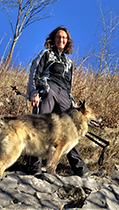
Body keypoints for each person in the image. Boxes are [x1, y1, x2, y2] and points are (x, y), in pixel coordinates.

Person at [26, 26, 90, 177]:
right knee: (42, 125)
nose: (61, 39)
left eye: (64, 37)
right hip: (49, 89)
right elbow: (34, 73)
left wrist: (72, 102)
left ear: (67, 41)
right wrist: (34, 92)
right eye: (58, 37)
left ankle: (79, 167)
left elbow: (69, 85)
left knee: (71, 131)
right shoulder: (46, 54)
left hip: (64, 96)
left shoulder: (69, 62)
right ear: (53, 39)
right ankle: (34, 165)